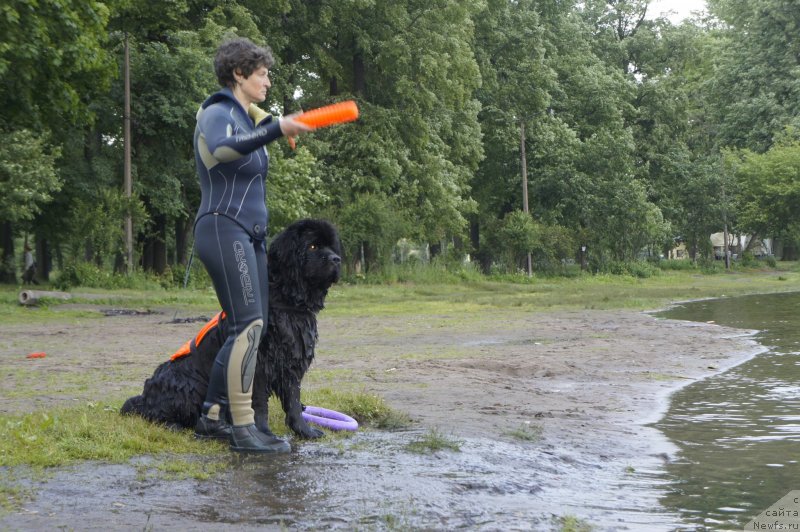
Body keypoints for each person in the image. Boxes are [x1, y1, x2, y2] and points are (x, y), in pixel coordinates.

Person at [192, 37, 312, 453]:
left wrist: (272, 123)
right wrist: (276, 128)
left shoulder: (243, 116)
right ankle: (244, 429)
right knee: (249, 326)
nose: (269, 79)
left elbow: (253, 126)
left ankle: (211, 416)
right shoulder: (216, 111)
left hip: (250, 235)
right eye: (261, 73)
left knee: (249, 328)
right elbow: (224, 150)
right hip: (224, 228)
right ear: (238, 74)